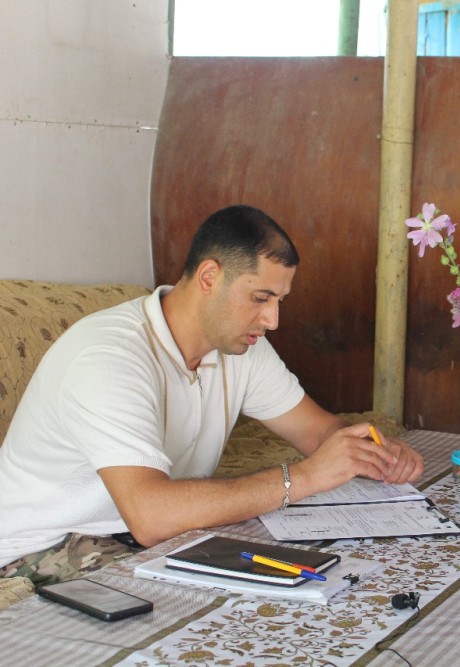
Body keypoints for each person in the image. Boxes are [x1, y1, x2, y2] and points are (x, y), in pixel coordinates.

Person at [0, 205, 423, 585]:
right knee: (239, 599)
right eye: (260, 298)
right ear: (209, 277)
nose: (272, 319)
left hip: (139, 532)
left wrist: (368, 450)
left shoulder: (240, 346)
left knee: (331, 575)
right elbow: (151, 516)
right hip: (46, 545)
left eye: (279, 300)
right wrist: (306, 476)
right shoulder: (109, 356)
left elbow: (316, 430)